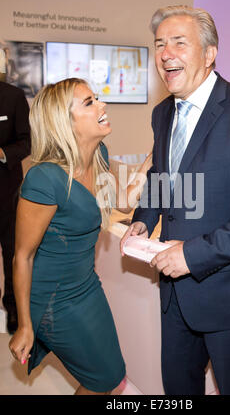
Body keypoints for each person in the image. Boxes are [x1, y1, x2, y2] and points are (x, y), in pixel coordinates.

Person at [121, 5, 230, 395]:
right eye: (160, 44)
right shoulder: (163, 113)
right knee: (179, 388)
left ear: (210, 53)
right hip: (175, 292)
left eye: (179, 43)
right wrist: (144, 218)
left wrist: (191, 256)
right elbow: (161, 175)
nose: (165, 53)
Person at [9, 78, 152, 395]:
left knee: (109, 375)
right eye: (89, 102)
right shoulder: (44, 178)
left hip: (87, 287)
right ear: (65, 121)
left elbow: (124, 200)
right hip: (52, 300)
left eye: (97, 98)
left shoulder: (98, 154)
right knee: (103, 378)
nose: (102, 105)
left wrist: (153, 158)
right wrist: (24, 325)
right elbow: (22, 256)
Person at [0, 68, 31, 335]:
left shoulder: (13, 96)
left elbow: (26, 142)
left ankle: (12, 309)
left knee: (11, 252)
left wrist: (2, 152)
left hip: (6, 193)